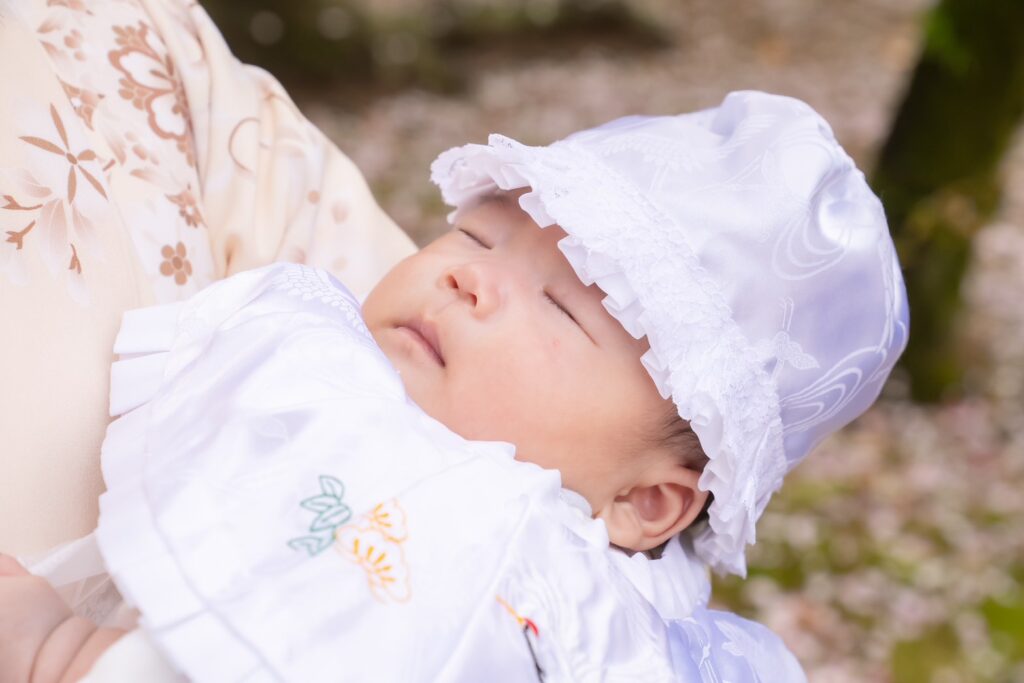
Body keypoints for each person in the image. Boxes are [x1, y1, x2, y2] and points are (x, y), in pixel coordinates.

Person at [0, 90, 908, 682]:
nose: (469, 278)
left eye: (563, 309)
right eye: (477, 236)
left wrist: (63, 653)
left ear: (645, 503)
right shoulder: (334, 374)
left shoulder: (515, 560)